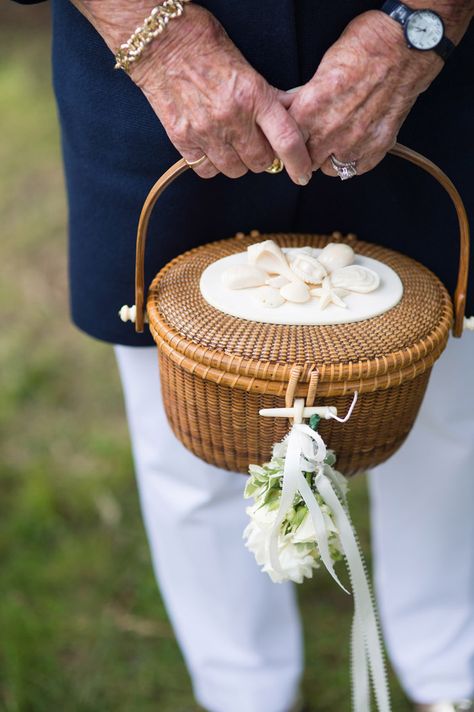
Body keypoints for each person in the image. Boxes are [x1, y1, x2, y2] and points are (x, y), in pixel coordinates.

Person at [12, 1, 474, 710]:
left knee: (449, 402)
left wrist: (423, 25)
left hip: (427, 64)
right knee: (188, 423)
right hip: (148, 60)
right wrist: (158, 39)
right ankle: (243, 688)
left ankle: (449, 669)